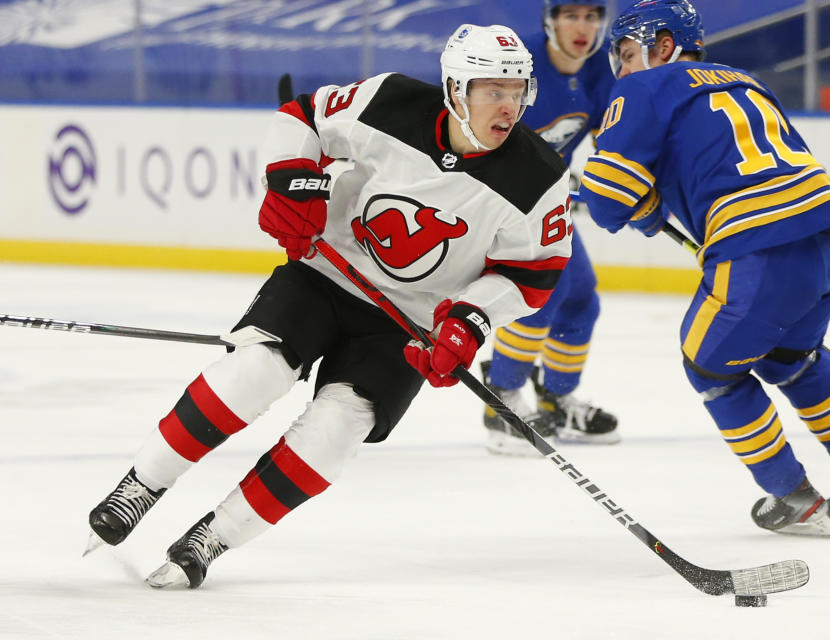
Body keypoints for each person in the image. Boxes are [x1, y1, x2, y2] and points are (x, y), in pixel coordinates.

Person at [85, 24, 572, 589]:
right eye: (494, 90)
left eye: (518, 92)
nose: (509, 107)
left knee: (339, 426)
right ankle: (141, 485)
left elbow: (531, 276)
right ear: (456, 89)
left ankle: (214, 535)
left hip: (405, 326)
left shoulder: (539, 177)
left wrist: (472, 319)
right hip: (324, 274)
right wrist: (290, 177)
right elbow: (304, 116)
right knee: (252, 372)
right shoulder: (391, 101)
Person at [580, 0, 830, 536]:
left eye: (626, 53)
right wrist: (650, 205)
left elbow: (606, 201)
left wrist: (632, 206)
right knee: (792, 358)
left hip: (760, 251)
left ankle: (794, 497)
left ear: (663, 46)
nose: (621, 68)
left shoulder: (641, 88)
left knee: (709, 365)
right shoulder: (744, 80)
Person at [482, 0, 620, 456]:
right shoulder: (517, 64)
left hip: (543, 202)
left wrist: (617, 181)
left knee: (580, 297)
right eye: (571, 16)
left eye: (590, 16)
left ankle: (557, 399)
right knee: (539, 296)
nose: (582, 27)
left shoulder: (602, 68)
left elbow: (608, 142)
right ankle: (501, 398)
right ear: (550, 20)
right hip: (491, 199)